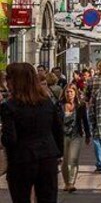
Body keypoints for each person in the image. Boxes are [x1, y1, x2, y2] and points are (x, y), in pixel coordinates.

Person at [0, 63, 64, 203]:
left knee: (21, 198)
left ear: (15, 81)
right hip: (47, 157)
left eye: (8, 78)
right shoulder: (47, 103)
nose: (6, 82)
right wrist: (58, 153)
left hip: (21, 160)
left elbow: (9, 139)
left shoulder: (9, 106)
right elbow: (58, 130)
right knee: (47, 198)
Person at [60, 84, 91, 192]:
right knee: (65, 160)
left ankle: (71, 183)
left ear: (75, 93)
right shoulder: (59, 105)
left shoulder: (80, 105)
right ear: (64, 93)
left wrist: (88, 135)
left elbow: (85, 121)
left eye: (71, 92)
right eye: (67, 92)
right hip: (62, 136)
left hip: (76, 135)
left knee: (73, 159)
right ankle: (66, 182)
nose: (69, 94)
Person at [86, 59, 101, 172]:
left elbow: (86, 96)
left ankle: (100, 163)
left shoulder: (91, 80)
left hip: (95, 111)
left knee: (96, 138)